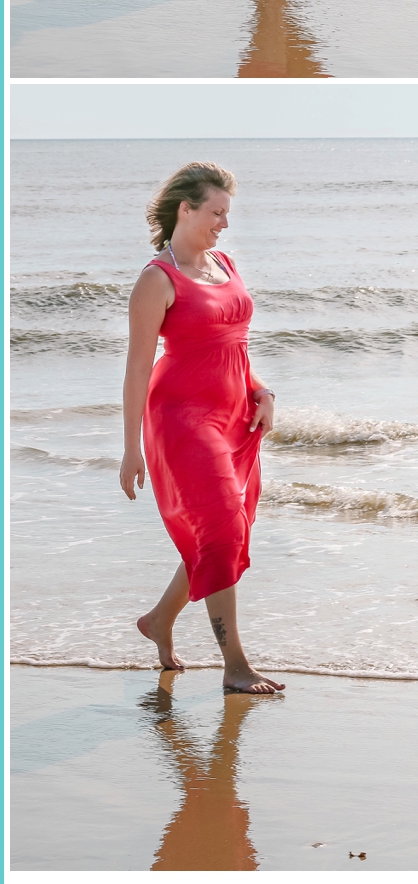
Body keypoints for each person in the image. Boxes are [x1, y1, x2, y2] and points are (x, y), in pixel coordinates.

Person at [120, 162, 283, 695]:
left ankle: (159, 621)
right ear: (185, 210)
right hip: (183, 419)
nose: (224, 224)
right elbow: (138, 369)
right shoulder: (156, 279)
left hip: (234, 414)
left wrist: (261, 390)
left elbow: (232, 343)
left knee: (219, 534)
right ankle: (235, 664)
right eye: (216, 213)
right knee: (222, 531)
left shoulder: (224, 263)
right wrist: (130, 449)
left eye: (227, 214)